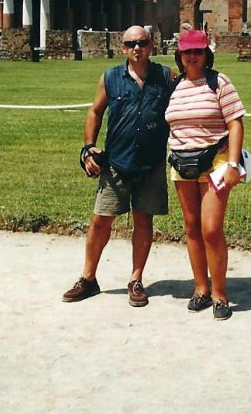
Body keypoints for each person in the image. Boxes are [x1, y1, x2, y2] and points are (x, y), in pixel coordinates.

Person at [62, 26, 172, 308]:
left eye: (142, 43)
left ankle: (136, 279)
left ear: (151, 46)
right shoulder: (110, 77)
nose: (137, 48)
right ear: (123, 48)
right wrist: (89, 147)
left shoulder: (165, 76)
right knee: (101, 220)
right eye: (131, 44)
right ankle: (88, 278)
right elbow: (95, 111)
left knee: (144, 220)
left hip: (150, 163)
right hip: (117, 162)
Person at [165, 29, 246, 321]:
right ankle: (200, 288)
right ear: (180, 55)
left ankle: (219, 293)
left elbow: (235, 124)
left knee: (210, 228)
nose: (192, 57)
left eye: (197, 51)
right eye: (187, 52)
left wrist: (234, 164)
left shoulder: (219, 82)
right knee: (191, 227)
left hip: (215, 163)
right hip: (182, 163)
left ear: (206, 54)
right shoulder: (174, 86)